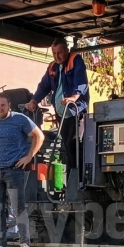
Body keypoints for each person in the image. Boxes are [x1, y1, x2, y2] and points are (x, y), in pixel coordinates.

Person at [0, 92, 44, 247]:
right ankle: (1, 244)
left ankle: (25, 245)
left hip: (14, 171)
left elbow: (39, 136)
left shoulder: (20, 119)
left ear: (9, 105)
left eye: (2, 105)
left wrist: (29, 157)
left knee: (18, 208)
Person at [25, 37, 90, 178]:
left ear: (66, 50)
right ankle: (71, 178)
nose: (57, 56)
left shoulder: (76, 60)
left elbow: (81, 82)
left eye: (59, 53)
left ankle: (78, 179)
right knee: (66, 147)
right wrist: (34, 100)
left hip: (75, 112)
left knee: (74, 145)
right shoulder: (52, 67)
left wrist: (74, 97)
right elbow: (44, 86)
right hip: (62, 115)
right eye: (54, 53)